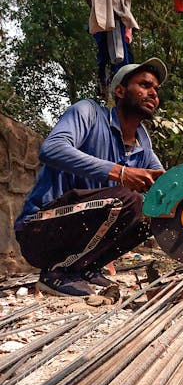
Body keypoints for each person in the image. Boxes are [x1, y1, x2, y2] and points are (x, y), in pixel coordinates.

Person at [15, 58, 168, 297]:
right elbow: (52, 149)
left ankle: (86, 266)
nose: (153, 93)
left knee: (153, 215)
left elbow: (168, 191)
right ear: (120, 90)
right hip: (39, 230)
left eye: (156, 90)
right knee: (128, 199)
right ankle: (57, 272)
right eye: (145, 85)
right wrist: (121, 173)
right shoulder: (89, 112)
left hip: (79, 235)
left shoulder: (144, 148)